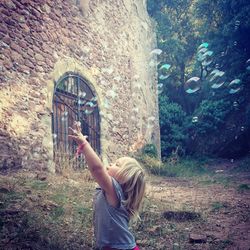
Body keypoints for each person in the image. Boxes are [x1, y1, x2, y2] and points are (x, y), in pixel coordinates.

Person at [68, 121, 146, 250]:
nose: (110, 165)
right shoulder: (115, 193)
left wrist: (84, 144)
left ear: (124, 178)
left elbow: (97, 169)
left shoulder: (115, 191)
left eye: (117, 164)